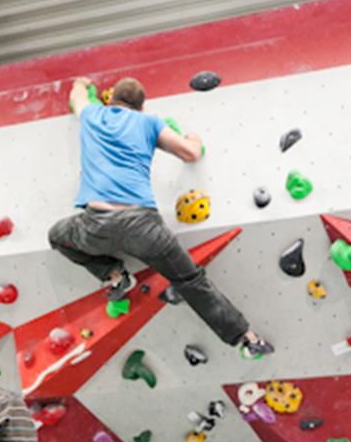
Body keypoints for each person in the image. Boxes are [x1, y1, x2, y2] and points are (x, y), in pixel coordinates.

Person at [48, 76, 274, 359]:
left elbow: (77, 97)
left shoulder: (93, 115)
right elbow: (190, 153)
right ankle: (247, 339)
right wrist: (193, 138)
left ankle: (114, 274)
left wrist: (81, 83)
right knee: (191, 280)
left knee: (57, 236)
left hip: (95, 226)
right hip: (144, 228)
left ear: (111, 100)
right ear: (141, 107)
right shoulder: (149, 123)